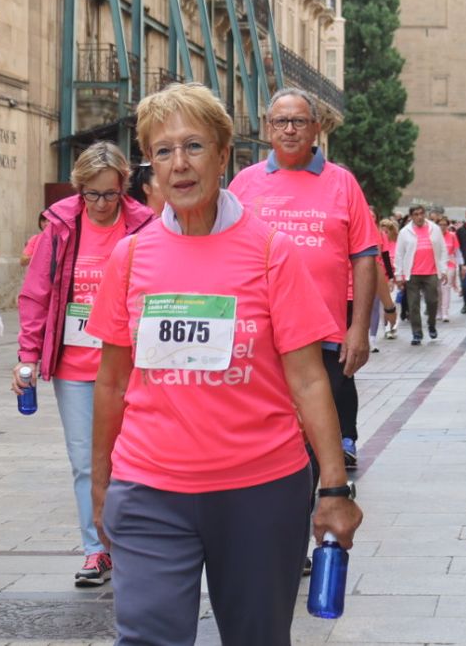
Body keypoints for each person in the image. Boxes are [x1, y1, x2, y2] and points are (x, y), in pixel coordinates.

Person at [87, 83, 362, 645]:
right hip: (148, 489)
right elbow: (112, 382)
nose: (179, 164)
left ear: (222, 155)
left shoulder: (269, 252)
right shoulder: (131, 256)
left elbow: (310, 380)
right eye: (163, 151)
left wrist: (333, 489)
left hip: (260, 491)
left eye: (194, 146)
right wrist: (101, 483)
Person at [14, 142, 154, 587]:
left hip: (128, 364)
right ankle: (96, 550)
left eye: (109, 194)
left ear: (123, 189)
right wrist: (27, 356)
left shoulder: (143, 226)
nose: (99, 204)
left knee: (133, 459)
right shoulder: (60, 226)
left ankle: (134, 544)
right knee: (85, 462)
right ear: (79, 189)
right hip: (75, 367)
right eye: (91, 194)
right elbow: (37, 292)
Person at [229, 87, 381, 469]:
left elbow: (364, 256)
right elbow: (223, 253)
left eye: (299, 121)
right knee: (263, 431)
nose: (290, 130)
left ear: (316, 129)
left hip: (322, 336)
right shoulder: (243, 184)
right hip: (257, 333)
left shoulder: (342, 183)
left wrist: (359, 328)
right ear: (268, 128)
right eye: (281, 121)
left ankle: (307, 507)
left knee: (314, 431)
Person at [394, 204, 449, 345]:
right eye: (416, 214)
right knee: (413, 305)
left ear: (424, 214)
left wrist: (443, 270)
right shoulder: (405, 232)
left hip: (431, 272)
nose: (419, 217)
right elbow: (399, 254)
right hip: (412, 273)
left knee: (432, 301)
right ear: (411, 216)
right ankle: (417, 333)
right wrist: (399, 275)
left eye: (421, 213)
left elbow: (443, 249)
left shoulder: (434, 229)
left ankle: (431, 324)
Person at [376, 218, 401, 339]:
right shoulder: (379, 241)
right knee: (382, 305)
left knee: (392, 301)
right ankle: (386, 327)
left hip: (394, 276)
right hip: (382, 276)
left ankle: (393, 326)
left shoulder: (397, 243)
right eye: (383, 230)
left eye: (387, 230)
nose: (385, 233)